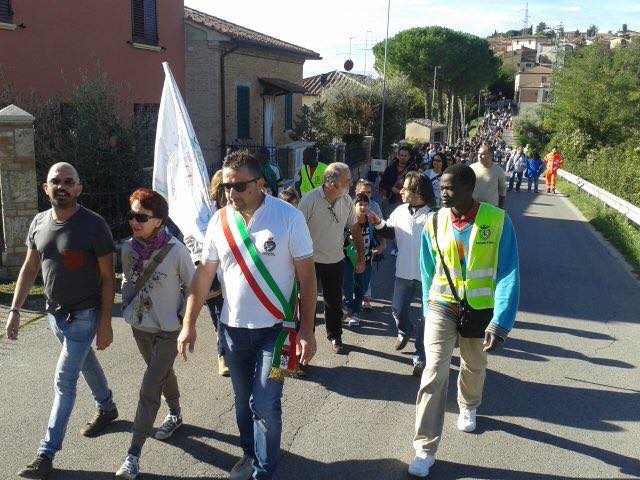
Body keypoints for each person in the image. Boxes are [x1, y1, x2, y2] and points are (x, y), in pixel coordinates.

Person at [177, 150, 318, 480]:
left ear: (260, 184)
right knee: (242, 402)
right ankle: (250, 454)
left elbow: (308, 278)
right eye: (227, 186)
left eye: (239, 186)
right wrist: (189, 324)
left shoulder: (288, 218)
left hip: (278, 332)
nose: (231, 194)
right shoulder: (219, 220)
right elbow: (203, 275)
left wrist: (307, 331)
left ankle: (264, 470)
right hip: (232, 330)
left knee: (266, 403)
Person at [6, 162, 118, 479]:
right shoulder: (39, 222)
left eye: (69, 181)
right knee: (85, 363)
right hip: (53, 315)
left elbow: (108, 277)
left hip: (84, 316)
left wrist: (106, 321)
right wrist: (15, 310)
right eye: (56, 181)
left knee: (63, 382)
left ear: (79, 188)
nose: (62, 186)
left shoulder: (93, 225)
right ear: (46, 187)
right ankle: (108, 407)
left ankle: (45, 453)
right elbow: (29, 269)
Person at [409, 164, 519, 478]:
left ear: (468, 189)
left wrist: (502, 320)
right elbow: (427, 266)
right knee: (434, 372)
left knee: (474, 365)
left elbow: (509, 272)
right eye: (441, 187)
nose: (442, 193)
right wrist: (428, 309)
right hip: (442, 306)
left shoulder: (497, 221)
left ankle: (469, 404)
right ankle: (424, 449)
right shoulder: (434, 221)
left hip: (481, 309)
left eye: (449, 188)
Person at [115, 189, 195, 479]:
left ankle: (132, 456)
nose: (134, 222)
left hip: (168, 330)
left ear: (159, 220)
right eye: (132, 215)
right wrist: (126, 299)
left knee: (149, 387)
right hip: (141, 327)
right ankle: (175, 413)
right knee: (159, 372)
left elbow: (195, 287)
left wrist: (185, 320)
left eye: (141, 217)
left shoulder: (176, 251)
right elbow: (126, 277)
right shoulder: (128, 249)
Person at [370, 172, 436, 376]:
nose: (402, 190)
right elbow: (391, 231)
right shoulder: (399, 211)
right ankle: (405, 330)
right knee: (397, 311)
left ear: (419, 192)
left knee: (426, 318)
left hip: (428, 278)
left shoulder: (435, 215)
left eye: (406, 188)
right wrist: (378, 222)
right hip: (404, 272)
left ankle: (420, 357)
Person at [298, 162, 365, 354]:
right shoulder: (309, 201)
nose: (351, 183)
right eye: (348, 180)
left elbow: (355, 230)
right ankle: (304, 338)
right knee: (307, 302)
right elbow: (294, 232)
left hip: (335, 261)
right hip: (309, 262)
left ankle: (335, 335)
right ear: (332, 183)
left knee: (334, 302)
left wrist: (360, 258)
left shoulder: (346, 201)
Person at [342, 193, 385, 326]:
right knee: (347, 288)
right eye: (360, 204)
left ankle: (355, 313)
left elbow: (382, 234)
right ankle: (346, 306)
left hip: (366, 261)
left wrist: (382, 245)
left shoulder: (371, 221)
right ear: (354, 206)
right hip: (348, 261)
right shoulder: (347, 221)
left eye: (366, 205)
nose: (363, 207)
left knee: (362, 288)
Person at [206, 170, 229, 376]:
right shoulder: (207, 214)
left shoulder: (236, 211)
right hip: (210, 274)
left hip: (228, 274)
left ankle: (223, 355)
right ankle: (222, 349)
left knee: (221, 316)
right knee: (217, 317)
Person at [354, 179, 383, 310]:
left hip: (369, 244)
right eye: (363, 192)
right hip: (352, 245)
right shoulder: (350, 204)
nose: (367, 194)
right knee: (352, 273)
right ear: (356, 192)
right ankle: (351, 298)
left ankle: (366, 297)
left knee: (366, 273)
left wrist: (382, 244)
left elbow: (381, 225)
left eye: (369, 192)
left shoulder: (375, 206)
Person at [470, 142, 506, 208]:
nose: (479, 156)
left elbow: (502, 191)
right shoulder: (471, 168)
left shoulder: (499, 171)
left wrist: (501, 208)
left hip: (490, 207)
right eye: (478, 153)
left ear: (490, 155)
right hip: (473, 206)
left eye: (483, 154)